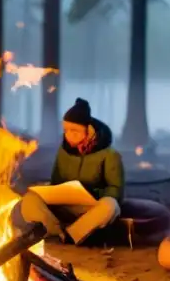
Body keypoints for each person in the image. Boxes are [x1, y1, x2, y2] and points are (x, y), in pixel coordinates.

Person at [17, 98, 124, 244]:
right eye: (66, 130)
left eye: (74, 130)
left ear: (89, 130)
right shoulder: (64, 152)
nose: (69, 135)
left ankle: (72, 235)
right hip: (64, 205)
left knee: (111, 205)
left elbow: (116, 189)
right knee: (30, 199)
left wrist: (93, 193)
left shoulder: (109, 155)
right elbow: (56, 181)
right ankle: (54, 231)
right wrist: (49, 189)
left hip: (91, 206)